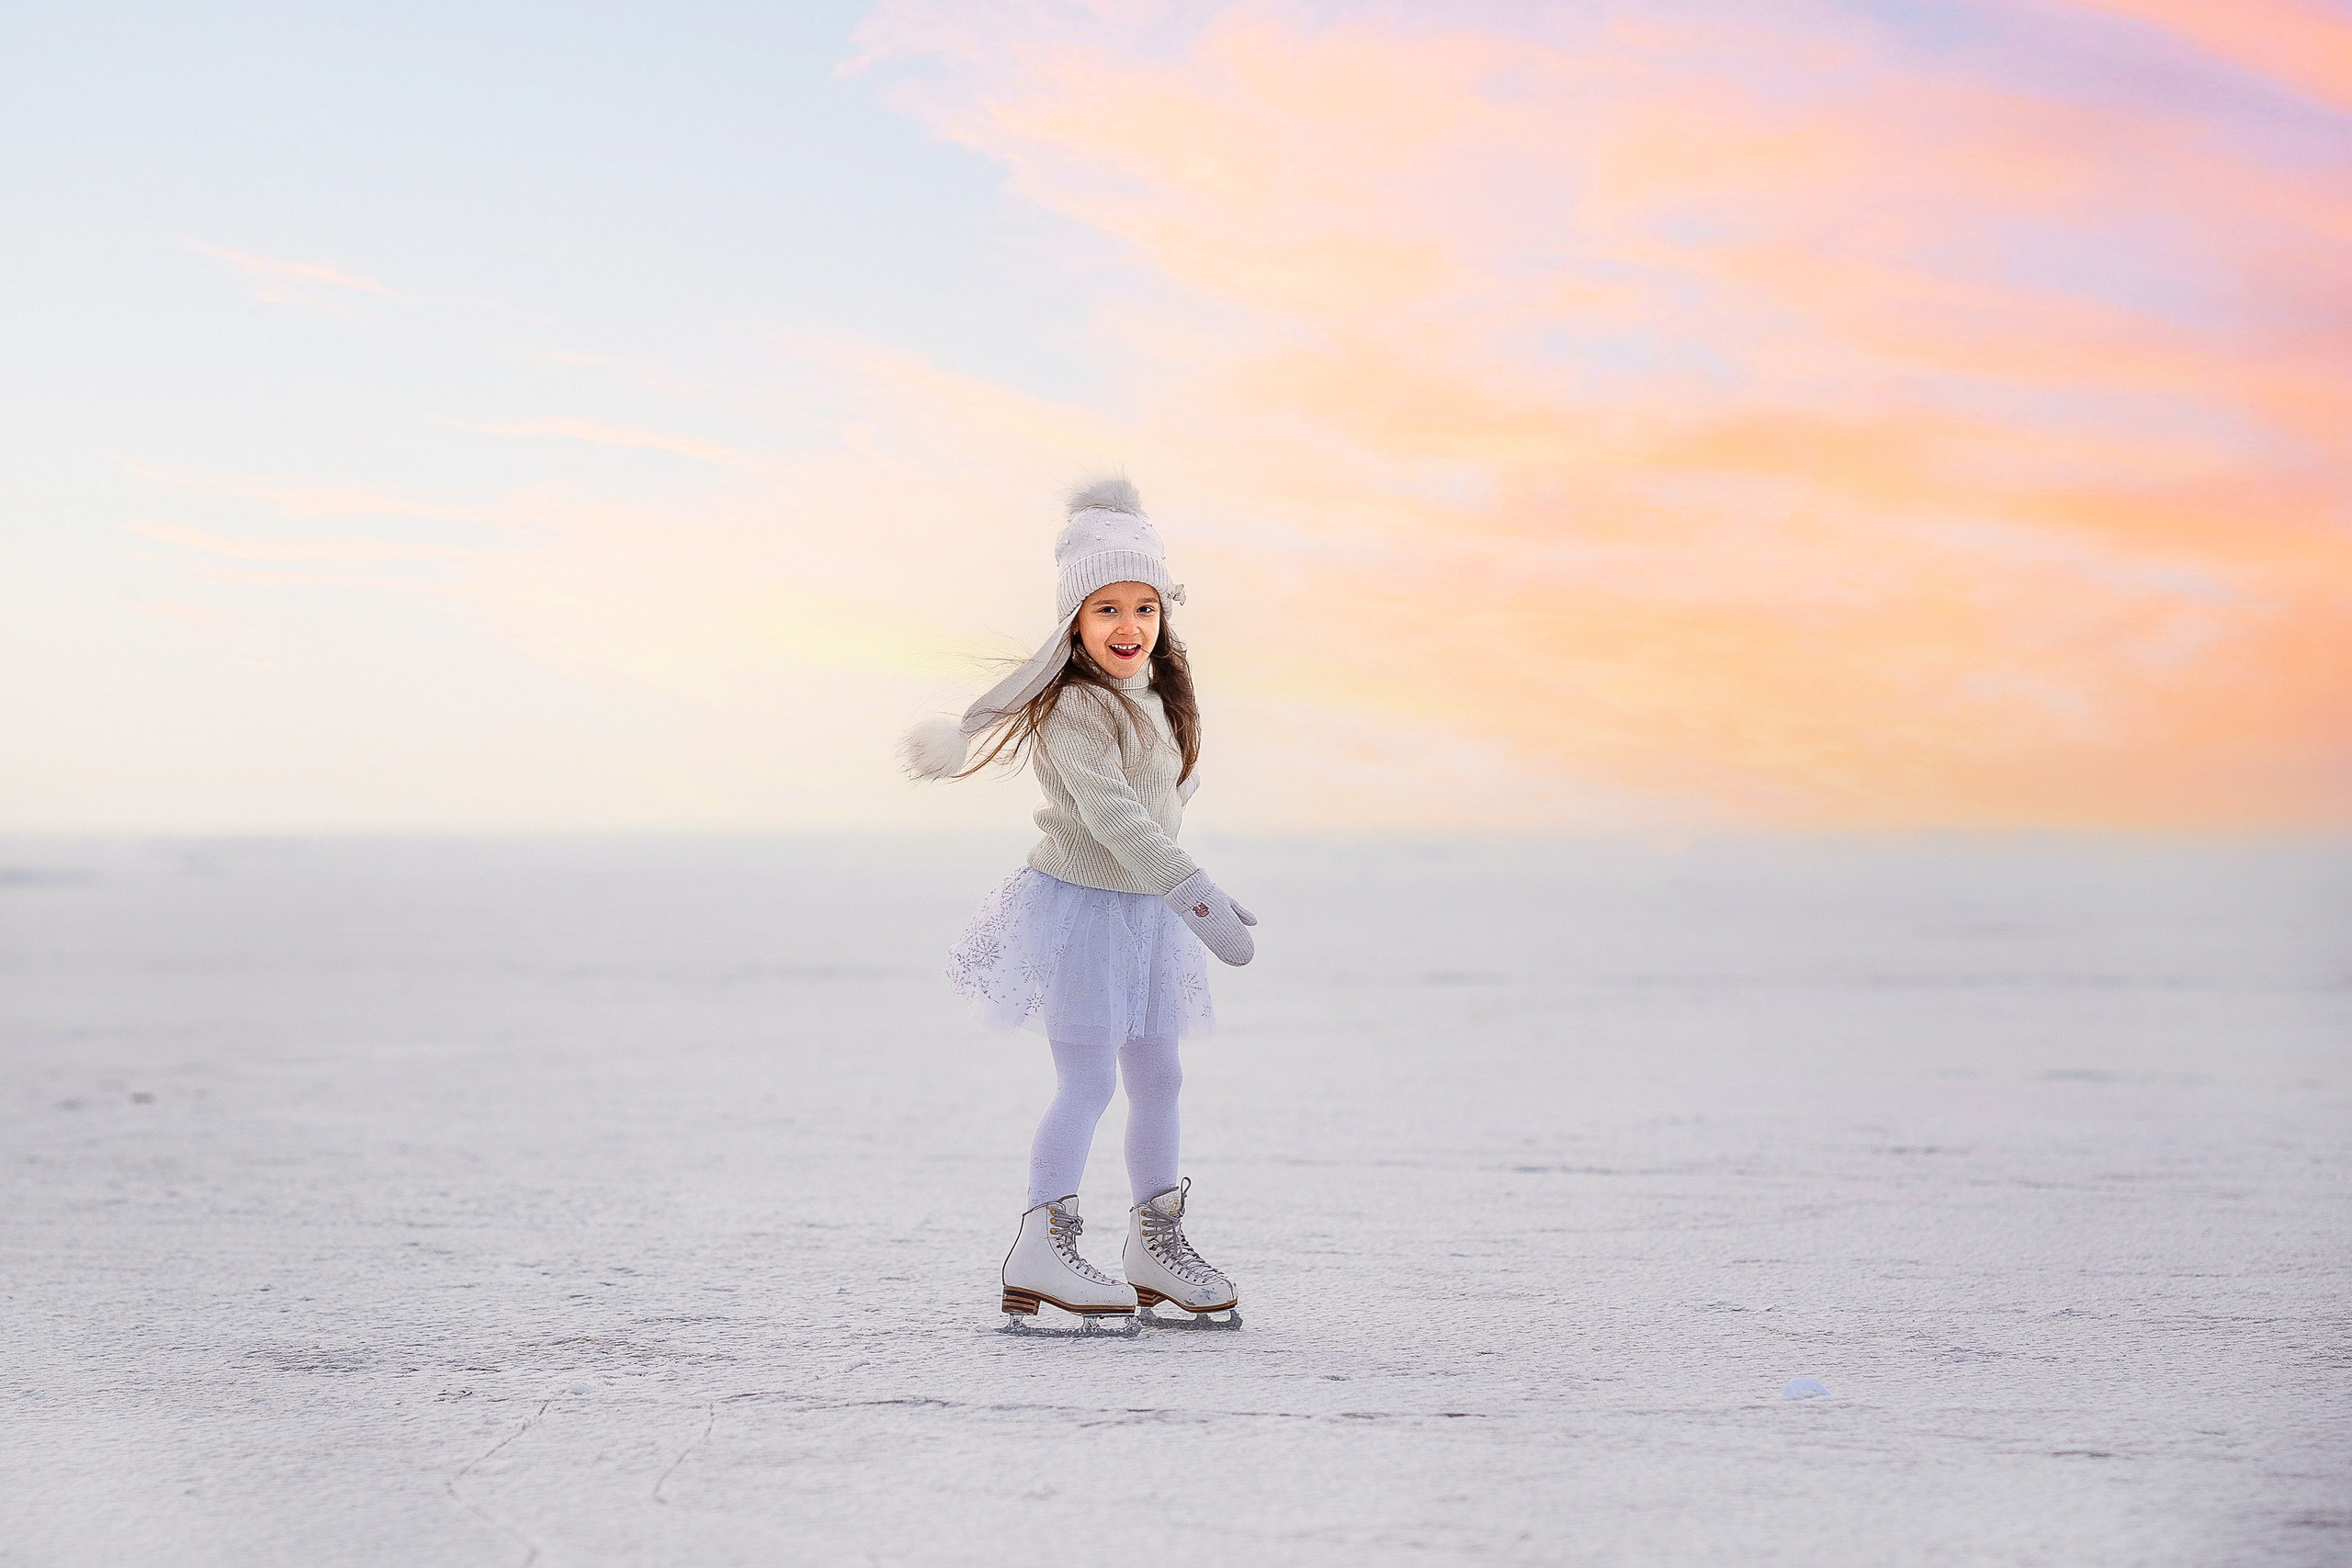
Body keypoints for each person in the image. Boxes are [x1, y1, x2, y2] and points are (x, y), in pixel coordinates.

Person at [900, 478, 1257, 1328]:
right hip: (1085, 911)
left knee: (1160, 1073)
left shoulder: (1155, 700)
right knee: (1090, 1077)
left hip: (1144, 912)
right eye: (1105, 609)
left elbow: (1165, 807)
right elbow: (1116, 817)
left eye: (1144, 606)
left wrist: (1191, 886)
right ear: (1073, 624)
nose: (1129, 626)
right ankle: (1040, 1242)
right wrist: (1193, 892)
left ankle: (1153, 1244)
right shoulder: (1072, 709)